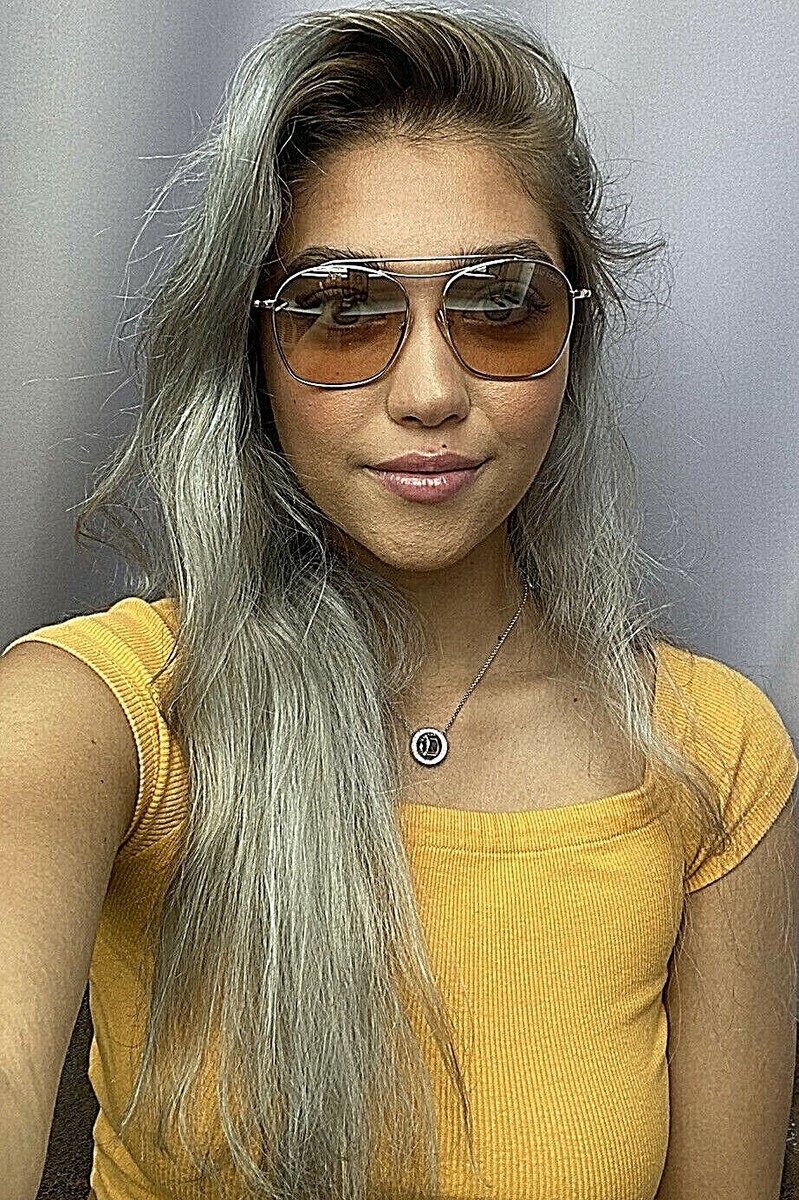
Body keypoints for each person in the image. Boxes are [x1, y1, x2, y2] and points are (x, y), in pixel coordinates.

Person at [1, 4, 796, 1199]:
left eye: (500, 305)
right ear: (252, 350)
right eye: (339, 310)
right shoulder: (109, 711)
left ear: (574, 337)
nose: (429, 390)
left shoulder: (712, 755)